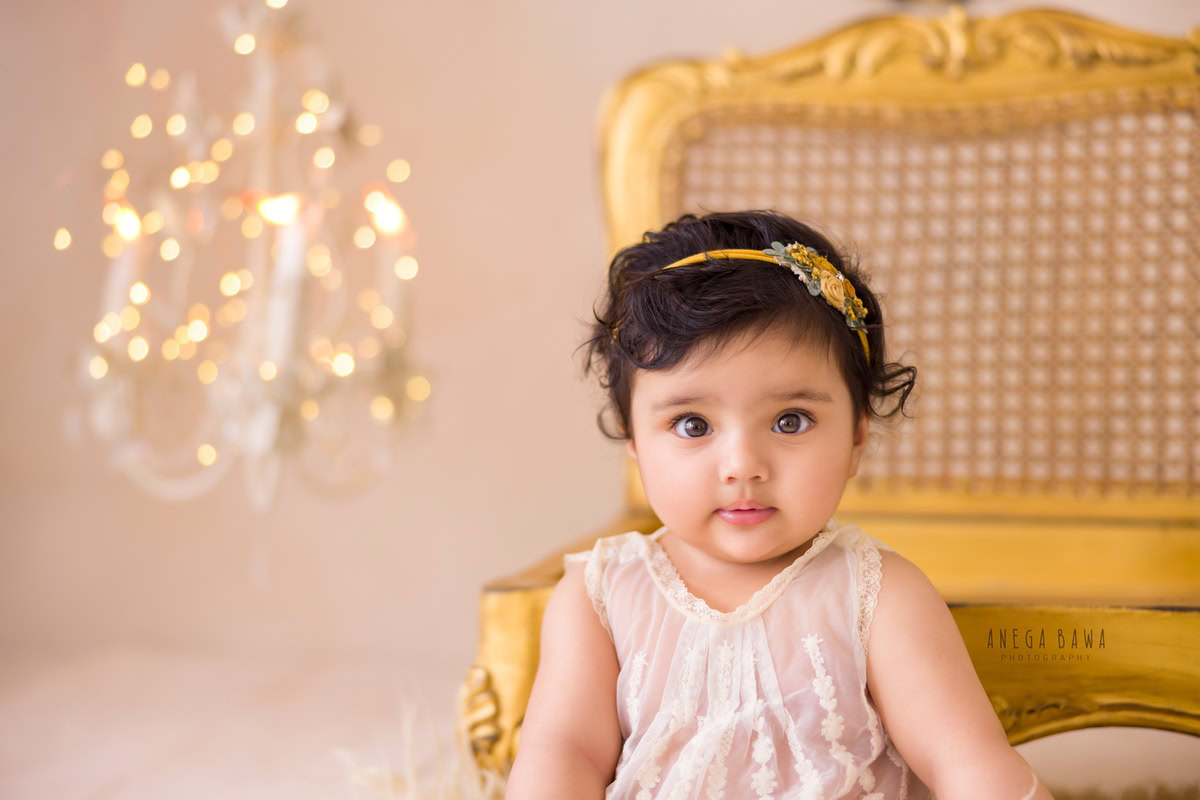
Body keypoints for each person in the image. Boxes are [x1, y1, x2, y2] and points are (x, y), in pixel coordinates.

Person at [505, 210, 1052, 799]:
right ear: (635, 441)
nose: (743, 465)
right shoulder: (603, 597)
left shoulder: (877, 595)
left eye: (791, 421)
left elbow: (966, 762)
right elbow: (564, 753)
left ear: (857, 437)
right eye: (693, 424)